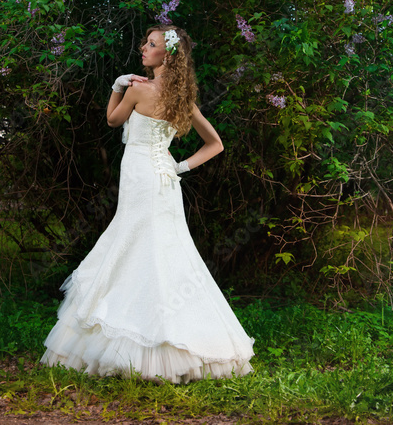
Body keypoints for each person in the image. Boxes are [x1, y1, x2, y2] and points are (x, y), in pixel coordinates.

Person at [40, 25, 254, 383]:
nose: (143, 47)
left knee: (133, 248)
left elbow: (112, 120)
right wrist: (179, 166)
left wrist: (117, 85)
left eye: (151, 44)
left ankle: (135, 334)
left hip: (142, 178)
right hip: (165, 181)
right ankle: (178, 337)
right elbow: (215, 143)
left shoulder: (138, 89)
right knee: (165, 253)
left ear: (166, 55)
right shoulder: (181, 99)